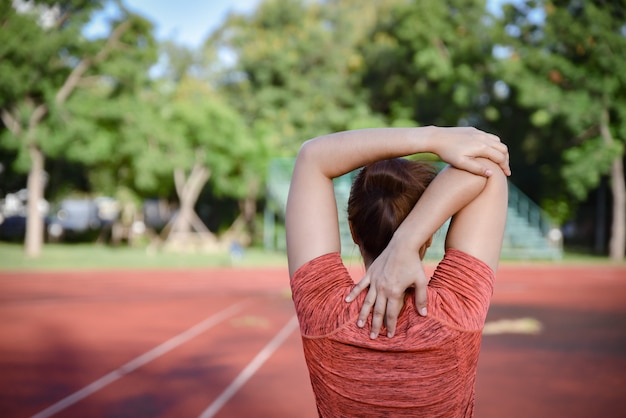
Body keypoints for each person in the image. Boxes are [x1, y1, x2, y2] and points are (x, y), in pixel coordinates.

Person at [286, 126, 509, 417]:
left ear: (353, 231)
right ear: (430, 234)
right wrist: (408, 239)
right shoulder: (458, 310)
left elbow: (312, 157)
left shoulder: (322, 309)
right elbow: (489, 164)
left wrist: (432, 138)